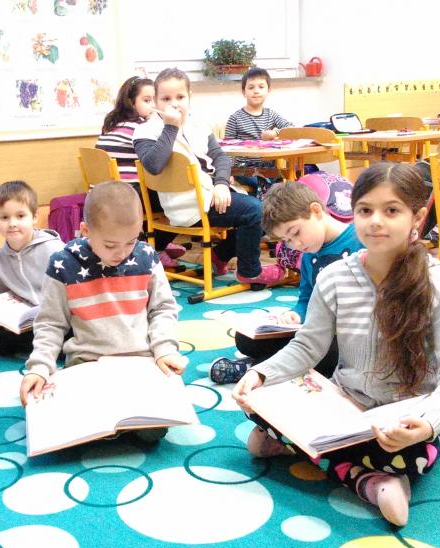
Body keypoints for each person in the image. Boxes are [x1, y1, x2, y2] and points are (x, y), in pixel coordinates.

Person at [233, 163, 440, 526]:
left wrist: (428, 424)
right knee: (258, 403)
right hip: (345, 404)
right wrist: (261, 375)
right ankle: (366, 476)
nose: (375, 221)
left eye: (391, 210)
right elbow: (308, 346)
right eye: (365, 210)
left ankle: (358, 473)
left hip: (404, 416)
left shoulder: (439, 285)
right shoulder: (334, 278)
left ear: (417, 217)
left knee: (406, 451)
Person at [19, 181, 186, 441]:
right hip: (88, 362)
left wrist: (164, 349)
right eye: (110, 245)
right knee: (82, 429)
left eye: (131, 241)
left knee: (152, 433)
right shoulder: (63, 264)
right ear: (85, 230)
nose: (122, 253)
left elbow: (163, 308)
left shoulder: (146, 257)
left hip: (140, 362)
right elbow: (51, 323)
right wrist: (39, 367)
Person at [133, 67, 283, 285]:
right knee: (256, 212)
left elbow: (220, 157)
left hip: (211, 192)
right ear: (155, 101)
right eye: (166, 99)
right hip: (185, 203)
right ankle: (249, 272)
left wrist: (221, 184)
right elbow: (154, 166)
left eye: (180, 97)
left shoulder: (198, 125)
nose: (174, 104)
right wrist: (171, 127)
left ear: (189, 97)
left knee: (264, 209)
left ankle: (218, 256)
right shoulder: (145, 130)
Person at [209, 180, 363, 384]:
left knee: (329, 353)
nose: (296, 244)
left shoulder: (360, 240)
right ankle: (271, 366)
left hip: (353, 339)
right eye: (288, 240)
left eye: (296, 232)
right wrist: (296, 314)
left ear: (316, 211)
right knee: (246, 339)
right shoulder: (308, 255)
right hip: (317, 333)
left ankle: (256, 368)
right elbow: (306, 299)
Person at [96, 75, 187, 268]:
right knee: (179, 198)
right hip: (127, 196)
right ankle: (155, 246)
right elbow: (162, 158)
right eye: (147, 100)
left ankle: (155, 242)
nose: (153, 105)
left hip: (105, 193)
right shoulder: (141, 128)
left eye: (155, 99)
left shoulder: (112, 125)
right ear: (131, 102)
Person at [0, 180, 64, 356]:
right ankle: (39, 342)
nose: (12, 223)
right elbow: (3, 293)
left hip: (55, 316)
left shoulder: (54, 249)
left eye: (20, 216)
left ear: (34, 217)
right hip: (25, 318)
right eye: (4, 217)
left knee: (7, 345)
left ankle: (48, 342)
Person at [224, 67, 294, 196]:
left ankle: (274, 203)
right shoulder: (235, 118)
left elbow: (291, 128)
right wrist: (226, 173)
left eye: (261, 87)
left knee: (282, 182)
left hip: (268, 166)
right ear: (244, 92)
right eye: (251, 87)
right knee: (262, 180)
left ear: (268, 90)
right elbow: (226, 150)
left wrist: (275, 133)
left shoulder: (271, 115)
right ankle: (264, 205)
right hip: (243, 167)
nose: (256, 91)